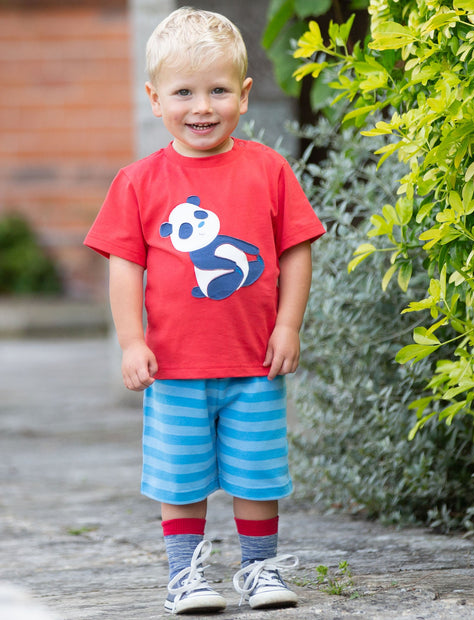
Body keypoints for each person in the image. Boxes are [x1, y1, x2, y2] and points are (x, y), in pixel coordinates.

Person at [84, 6, 325, 615]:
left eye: (218, 90)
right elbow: (124, 266)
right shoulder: (138, 181)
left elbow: (296, 250)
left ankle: (258, 569)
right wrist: (131, 342)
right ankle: (186, 576)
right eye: (184, 92)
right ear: (154, 98)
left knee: (257, 473)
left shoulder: (268, 170)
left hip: (252, 364)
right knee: (180, 479)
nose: (202, 106)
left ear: (244, 96)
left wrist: (289, 325)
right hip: (174, 367)